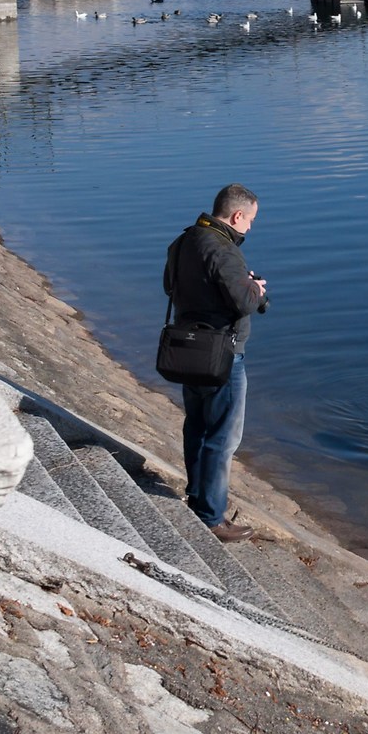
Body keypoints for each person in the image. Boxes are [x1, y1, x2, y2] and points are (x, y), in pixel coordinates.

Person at [163, 184, 271, 542]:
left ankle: (196, 496)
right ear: (237, 216)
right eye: (251, 220)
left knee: (197, 424)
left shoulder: (185, 240)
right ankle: (211, 516)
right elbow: (242, 302)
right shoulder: (223, 250)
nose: (251, 228)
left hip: (190, 349)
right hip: (222, 354)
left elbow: (170, 286)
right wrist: (256, 289)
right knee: (223, 436)